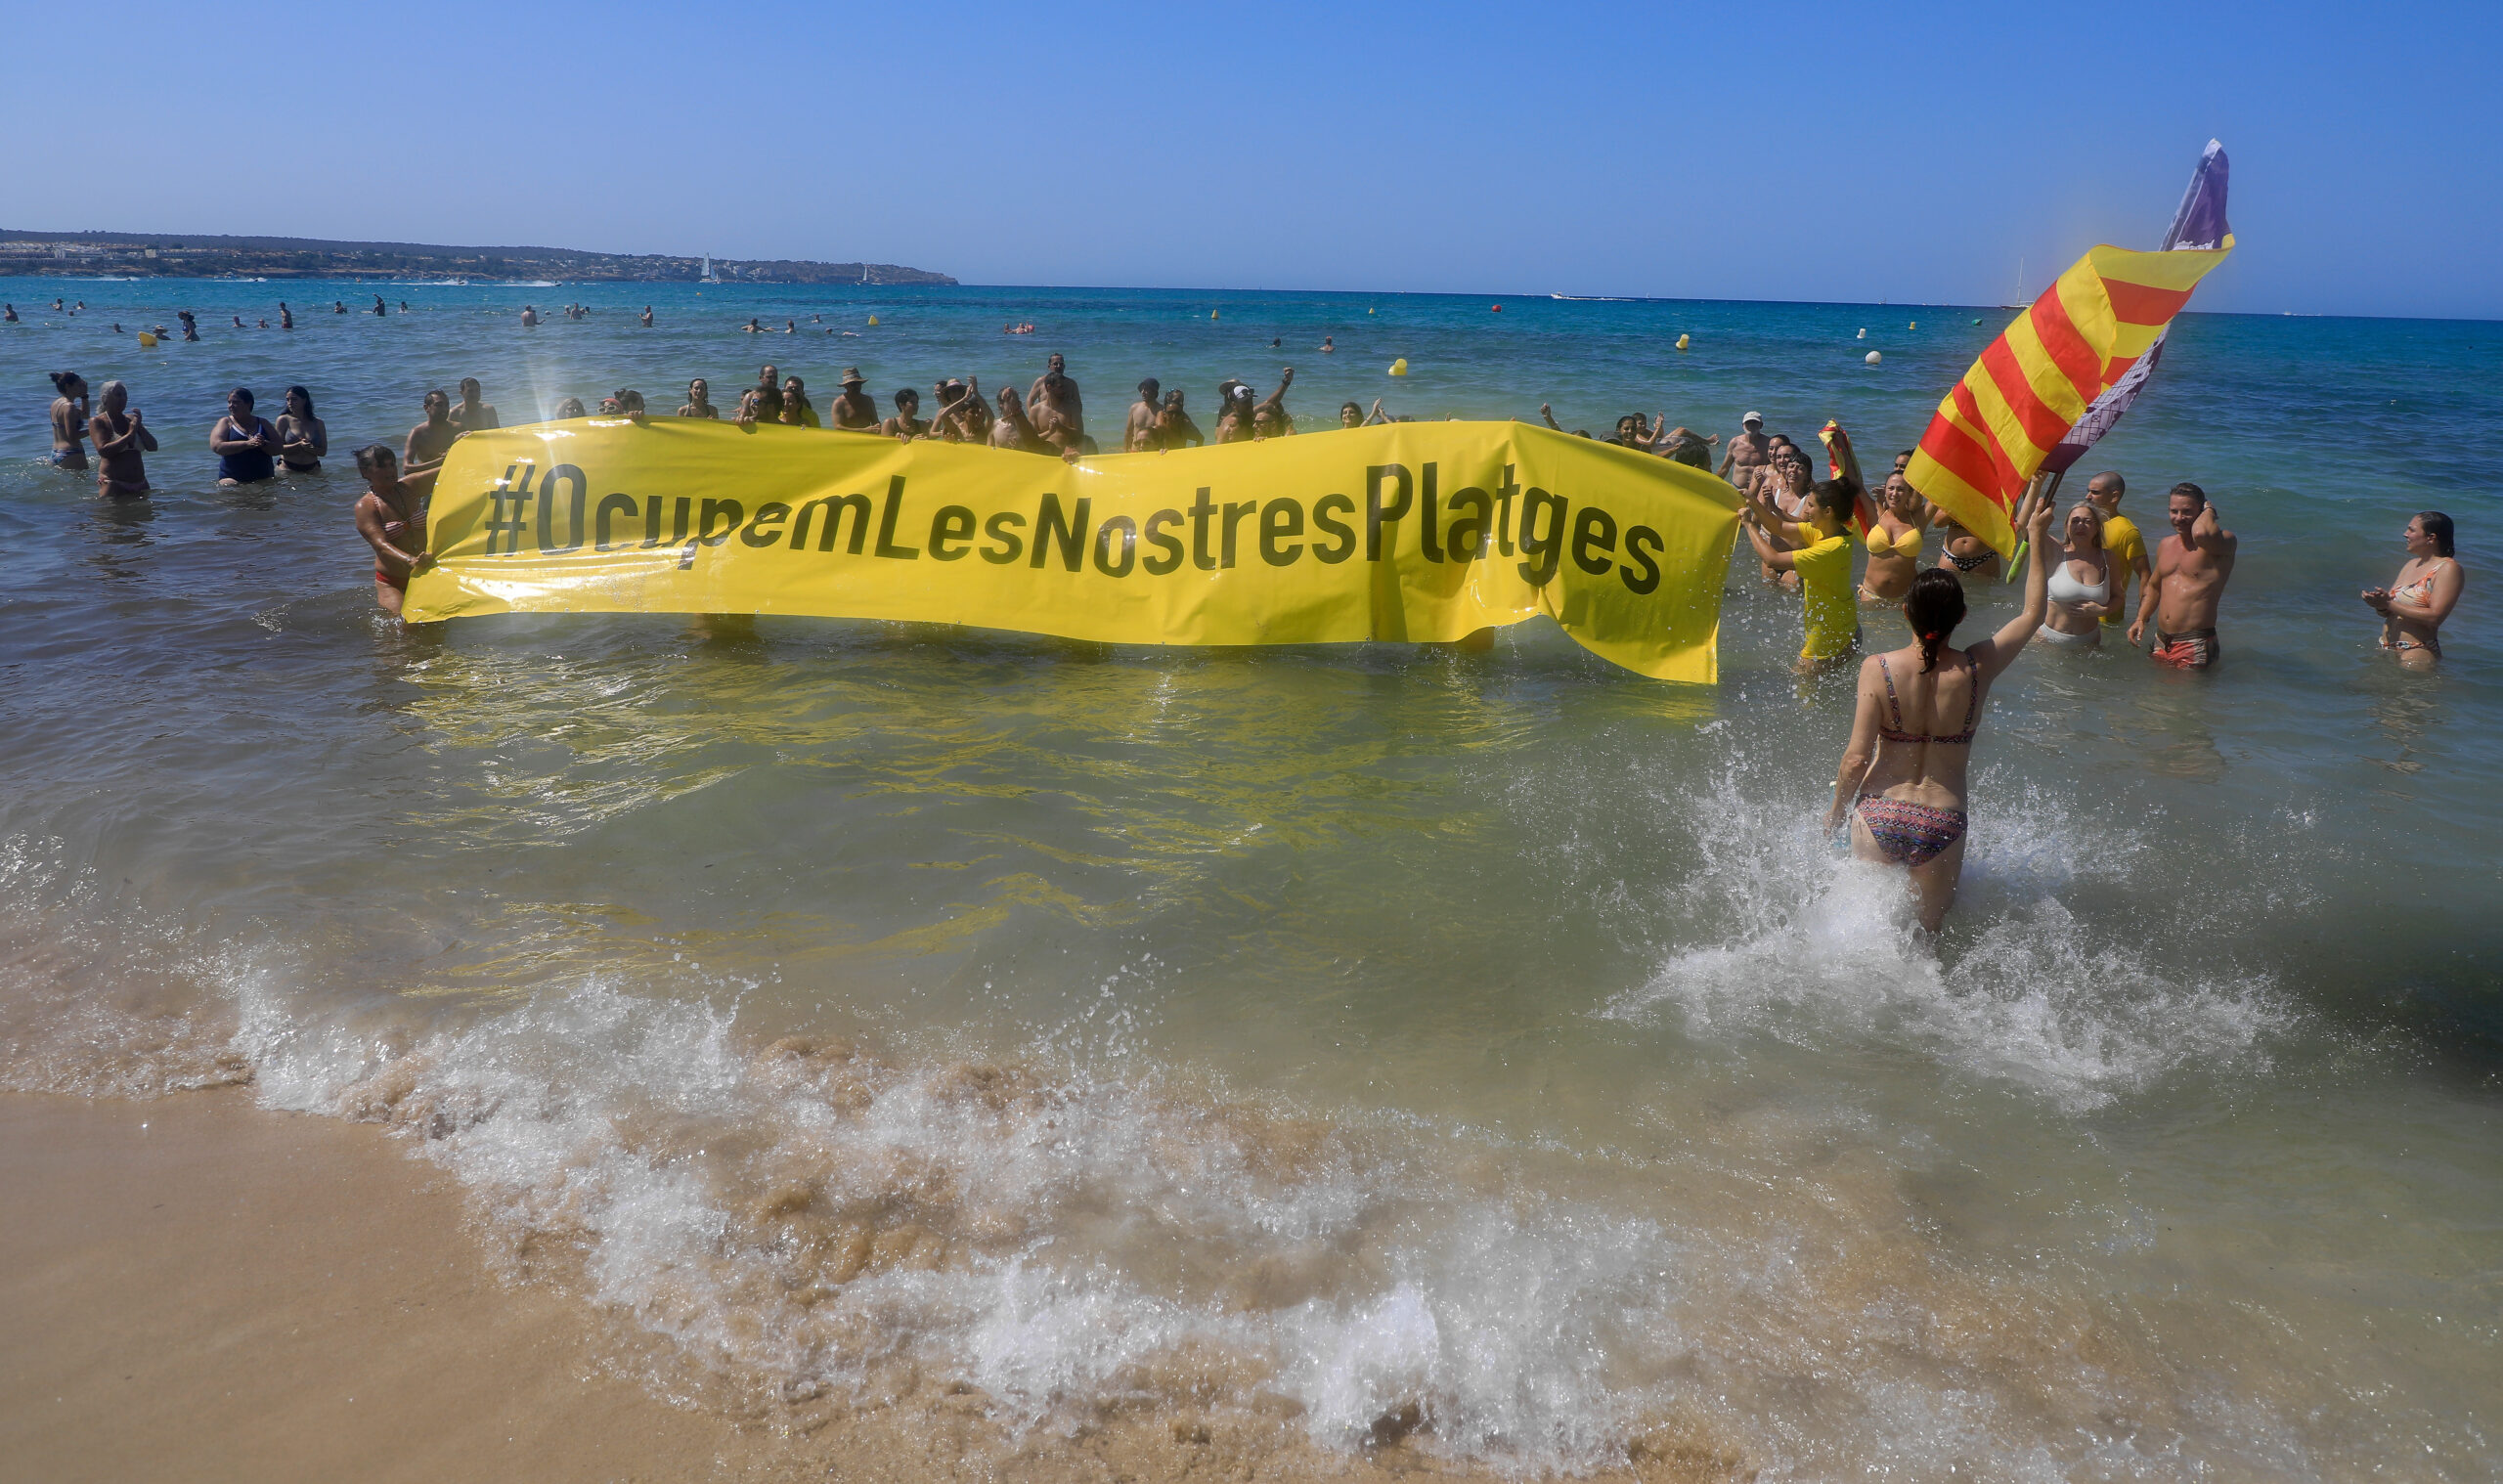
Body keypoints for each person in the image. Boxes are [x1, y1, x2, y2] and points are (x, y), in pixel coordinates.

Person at [1825, 502, 2057, 932]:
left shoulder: (1877, 668)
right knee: (1928, 940)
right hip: (1942, 819)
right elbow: (2033, 614)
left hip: (1880, 812)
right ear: (1962, 617)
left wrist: (1835, 816)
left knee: (1865, 933)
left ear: (1905, 611)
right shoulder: (1976, 668)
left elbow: (1856, 759)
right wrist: (2038, 536)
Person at [1741, 477, 1862, 671]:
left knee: (1803, 687)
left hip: (1831, 635)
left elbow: (1772, 559)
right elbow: (1778, 527)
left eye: (1811, 505)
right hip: (1845, 628)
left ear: (1828, 512)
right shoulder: (1826, 531)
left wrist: (1749, 525)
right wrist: (1753, 502)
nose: (1805, 511)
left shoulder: (1830, 549)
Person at [2129, 482, 2237, 669]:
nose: (2179, 518)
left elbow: (2201, 533)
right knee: (2154, 695)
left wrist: (2209, 510)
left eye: (2186, 512)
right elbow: (2154, 587)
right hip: (2161, 640)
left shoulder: (2222, 543)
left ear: (2201, 511)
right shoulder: (2166, 544)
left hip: (2194, 643)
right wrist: (2141, 618)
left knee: (2187, 698)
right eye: (2173, 511)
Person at [2363, 511, 2462, 669]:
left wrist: (2388, 603)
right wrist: (2379, 604)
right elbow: (2389, 611)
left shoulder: (2448, 568)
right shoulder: (2411, 565)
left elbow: (2435, 617)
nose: (2405, 534)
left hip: (2416, 652)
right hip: (2387, 649)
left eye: (2412, 530)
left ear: (2431, 538)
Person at [352, 444, 439, 619]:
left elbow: (450, 470)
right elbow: (381, 545)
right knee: (403, 626)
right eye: (382, 466)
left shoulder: (410, 486)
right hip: (393, 582)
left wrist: (464, 444)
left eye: (392, 464)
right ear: (365, 472)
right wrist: (411, 560)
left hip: (426, 573)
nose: (390, 470)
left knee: (436, 626)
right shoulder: (366, 506)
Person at [2037, 502, 2119, 647]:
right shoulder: (2056, 552)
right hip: (2047, 641)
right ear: (2066, 527)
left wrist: (2103, 610)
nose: (2080, 525)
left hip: (2089, 644)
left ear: (2097, 528)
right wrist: (2035, 487)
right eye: (2075, 521)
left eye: (2087, 522)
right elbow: (2028, 527)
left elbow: (2119, 597)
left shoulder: (2107, 558)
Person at [2081, 471, 2150, 633]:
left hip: (2106, 621)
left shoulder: (2127, 531)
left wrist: (2142, 617)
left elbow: (2145, 575)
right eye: (2088, 491)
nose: (2087, 496)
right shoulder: (2083, 524)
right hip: (2076, 614)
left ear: (2114, 496)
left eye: (2095, 492)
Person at [1858, 472, 1928, 603]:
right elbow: (1857, 486)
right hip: (1870, 596)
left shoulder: (1919, 519)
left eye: (1901, 489)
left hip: (1905, 599)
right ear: (1885, 491)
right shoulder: (1877, 514)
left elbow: (1941, 494)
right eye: (1891, 488)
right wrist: (1843, 452)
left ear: (1909, 494)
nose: (1894, 493)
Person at [88, 380, 156, 498]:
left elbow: (153, 447)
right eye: (118, 395)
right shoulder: (98, 421)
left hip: (141, 484)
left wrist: (139, 427)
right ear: (105, 399)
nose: (123, 398)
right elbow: (104, 451)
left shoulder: (131, 420)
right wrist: (130, 434)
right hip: (114, 485)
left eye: (125, 395)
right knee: (112, 516)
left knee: (146, 516)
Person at [209, 387, 280, 485]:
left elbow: (279, 448)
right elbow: (217, 447)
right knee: (230, 486)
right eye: (229, 402)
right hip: (232, 478)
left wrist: (263, 443)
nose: (231, 406)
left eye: (236, 402)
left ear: (248, 403)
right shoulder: (226, 422)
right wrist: (247, 444)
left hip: (264, 478)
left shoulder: (263, 423)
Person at [1027, 353, 1085, 453]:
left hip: (1066, 418)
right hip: (1044, 417)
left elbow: (1078, 405)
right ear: (1049, 366)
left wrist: (1073, 416)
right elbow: (1030, 399)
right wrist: (1033, 415)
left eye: (1061, 364)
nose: (1059, 366)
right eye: (1056, 364)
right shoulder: (1041, 382)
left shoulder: (1071, 384)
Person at [276, 385, 327, 474]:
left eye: (294, 399)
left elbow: (323, 452)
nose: (290, 403)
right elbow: (277, 448)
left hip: (313, 469)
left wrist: (309, 448)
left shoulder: (318, 422)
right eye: (288, 400)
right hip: (287, 468)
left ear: (304, 401)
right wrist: (299, 445)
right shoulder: (283, 420)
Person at [404, 389, 460, 471]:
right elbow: (407, 468)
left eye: (447, 405)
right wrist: (440, 461)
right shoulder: (417, 433)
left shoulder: (458, 429)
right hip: (429, 478)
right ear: (426, 408)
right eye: (439, 405)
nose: (444, 409)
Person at [990, 385, 1055, 454]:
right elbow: (988, 450)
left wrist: (1050, 432)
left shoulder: (1024, 425)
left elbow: (1035, 442)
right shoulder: (994, 425)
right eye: (1009, 398)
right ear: (1000, 404)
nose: (1012, 401)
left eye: (1016, 399)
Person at [1718, 412, 1771, 492]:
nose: (1751, 425)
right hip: (1736, 488)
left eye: (1754, 423)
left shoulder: (1768, 444)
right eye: (1748, 423)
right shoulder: (1735, 442)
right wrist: (1712, 483)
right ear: (1743, 425)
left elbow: (1775, 470)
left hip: (1758, 491)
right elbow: (1725, 468)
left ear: (1761, 425)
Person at [48, 371, 90, 470]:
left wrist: (84, 396)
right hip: (72, 453)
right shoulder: (69, 407)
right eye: (79, 385)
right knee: (82, 485)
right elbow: (73, 436)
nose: (82, 387)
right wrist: (94, 429)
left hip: (55, 452)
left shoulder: (55, 404)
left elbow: (84, 415)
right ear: (68, 386)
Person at [1250, 368, 1295, 438]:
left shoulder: (1287, 436)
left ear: (1273, 424)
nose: (1254, 426)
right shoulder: (1253, 436)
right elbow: (1268, 404)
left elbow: (1268, 404)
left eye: (1259, 423)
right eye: (1255, 422)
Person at [1125, 378, 1164, 451]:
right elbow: (1128, 432)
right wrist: (1126, 450)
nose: (1143, 392)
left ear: (1154, 392)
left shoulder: (1161, 410)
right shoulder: (1134, 408)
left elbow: (1162, 431)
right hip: (1135, 451)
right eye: (1142, 390)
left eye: (1146, 390)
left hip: (1151, 452)